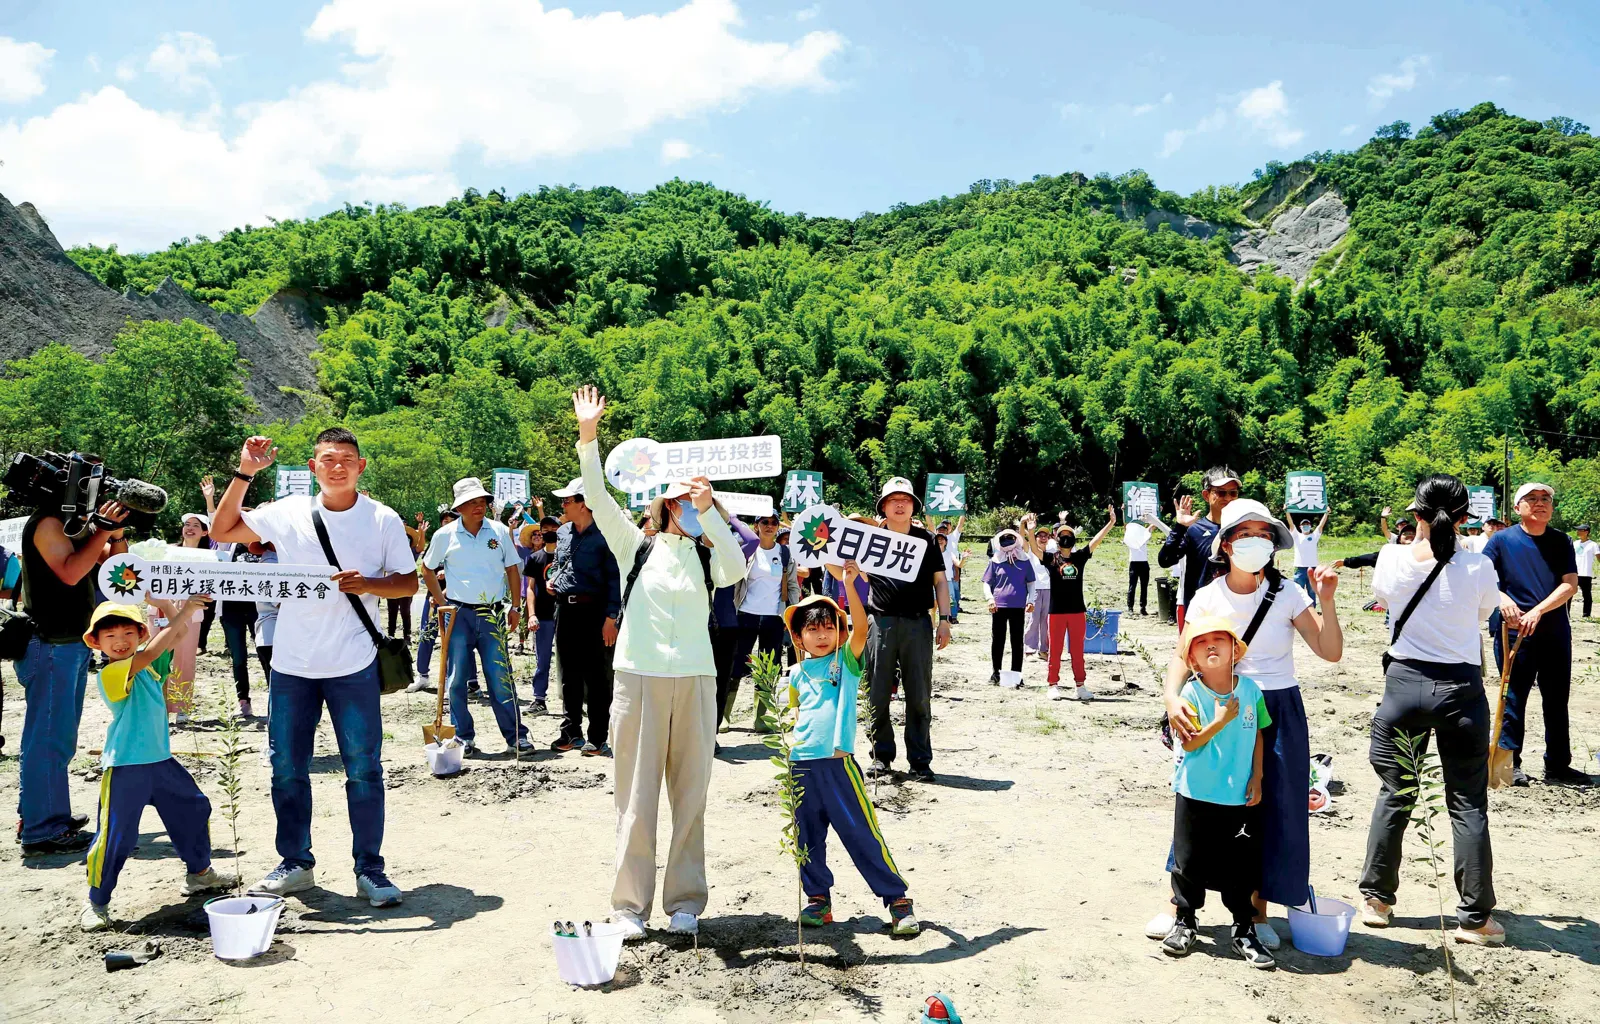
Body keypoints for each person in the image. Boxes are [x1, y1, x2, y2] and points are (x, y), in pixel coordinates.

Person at [211, 427, 418, 907]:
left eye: (347, 457)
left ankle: (370, 869)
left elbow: (407, 583)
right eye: (328, 458)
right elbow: (223, 531)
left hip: (354, 663)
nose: (338, 465)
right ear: (312, 468)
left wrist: (367, 583)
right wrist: (245, 472)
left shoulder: (383, 519)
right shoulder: (286, 513)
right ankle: (296, 862)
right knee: (286, 767)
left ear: (361, 466)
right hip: (292, 663)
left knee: (364, 768)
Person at [571, 386, 748, 940]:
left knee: (690, 795)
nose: (690, 512)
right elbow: (598, 498)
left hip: (696, 680)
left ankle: (686, 901)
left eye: (696, 504)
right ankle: (629, 906)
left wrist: (710, 514)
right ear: (664, 507)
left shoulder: (706, 553)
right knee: (636, 795)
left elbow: (738, 565)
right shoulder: (634, 545)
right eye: (682, 504)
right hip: (640, 680)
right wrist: (588, 436)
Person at [1150, 499, 1342, 950]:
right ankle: (1180, 907)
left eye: (1263, 533)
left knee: (1272, 806)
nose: (1255, 541)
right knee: (1199, 802)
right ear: (1226, 543)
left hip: (1277, 706)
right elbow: (1182, 657)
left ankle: (1257, 912)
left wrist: (1327, 603)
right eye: (1244, 533)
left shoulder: (1290, 594)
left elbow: (1330, 651)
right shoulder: (1207, 596)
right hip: (1218, 703)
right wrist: (1172, 696)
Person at [1358, 475, 1505, 944]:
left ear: (1416, 514)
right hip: (1460, 689)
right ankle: (1476, 919)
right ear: (1465, 517)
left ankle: (1377, 900)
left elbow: (1383, 602)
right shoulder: (1479, 566)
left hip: (1403, 684)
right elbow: (1482, 616)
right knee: (1467, 802)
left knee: (1395, 792)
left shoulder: (1390, 558)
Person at [78, 598, 229, 931]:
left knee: (194, 810)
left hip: (161, 762)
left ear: (140, 633)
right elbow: (154, 647)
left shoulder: (148, 666)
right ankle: (97, 902)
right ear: (97, 642)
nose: (120, 641)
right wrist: (185, 611)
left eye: (128, 632)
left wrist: (165, 605)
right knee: (117, 836)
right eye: (110, 635)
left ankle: (200, 874)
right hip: (126, 767)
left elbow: (177, 637)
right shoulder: (112, 672)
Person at [785, 569, 919, 938]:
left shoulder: (844, 663)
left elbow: (862, 627)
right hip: (801, 767)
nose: (822, 634)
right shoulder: (794, 673)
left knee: (862, 834)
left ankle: (897, 901)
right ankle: (818, 900)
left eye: (829, 627)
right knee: (807, 837)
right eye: (812, 629)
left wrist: (848, 584)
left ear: (839, 632)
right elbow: (794, 716)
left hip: (838, 765)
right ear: (799, 636)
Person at [16, 491, 131, 855]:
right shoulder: (48, 522)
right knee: (48, 738)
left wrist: (116, 535)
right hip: (51, 644)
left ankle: (42, 813)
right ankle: (43, 829)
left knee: (57, 737)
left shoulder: (72, 525)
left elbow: (117, 572)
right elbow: (70, 573)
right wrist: (101, 529)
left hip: (68, 645)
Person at [1159, 617, 1274, 968]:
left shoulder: (1251, 690)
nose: (1211, 645)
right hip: (1195, 792)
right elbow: (1191, 744)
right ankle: (1185, 921)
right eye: (1201, 641)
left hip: (1238, 796)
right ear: (1191, 659)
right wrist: (1220, 720)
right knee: (1189, 861)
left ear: (1234, 651)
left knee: (1241, 864)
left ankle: (1243, 928)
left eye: (1219, 640)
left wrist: (1258, 775)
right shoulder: (1190, 693)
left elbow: (1259, 733)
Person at [1484, 482, 1589, 786]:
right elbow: (1483, 579)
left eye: (1546, 499)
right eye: (1532, 499)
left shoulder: (1561, 542)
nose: (1541, 503)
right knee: (1513, 696)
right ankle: (1509, 763)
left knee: (1557, 699)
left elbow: (1569, 584)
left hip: (1554, 631)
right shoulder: (1501, 541)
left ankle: (1557, 765)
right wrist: (1503, 601)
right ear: (1517, 508)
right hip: (1514, 632)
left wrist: (1539, 610)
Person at [421, 478, 531, 756]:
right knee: (457, 678)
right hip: (457, 613)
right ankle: (462, 736)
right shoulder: (445, 535)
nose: (479, 506)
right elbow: (427, 568)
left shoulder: (499, 531)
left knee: (499, 676)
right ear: (459, 507)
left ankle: (516, 737)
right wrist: (442, 600)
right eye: (472, 502)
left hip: (492, 612)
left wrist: (516, 607)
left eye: (482, 501)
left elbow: (512, 569)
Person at [860, 477, 952, 783]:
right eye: (893, 499)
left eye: (906, 499)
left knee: (919, 694)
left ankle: (920, 760)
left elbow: (940, 580)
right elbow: (840, 566)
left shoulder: (926, 539)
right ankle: (881, 756)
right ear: (883, 506)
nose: (900, 504)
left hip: (917, 623)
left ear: (913, 506)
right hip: (881, 622)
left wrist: (945, 619)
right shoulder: (869, 538)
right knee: (877, 692)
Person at [547, 475, 622, 755]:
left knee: (596, 675)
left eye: (567, 500)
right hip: (565, 609)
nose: (563, 505)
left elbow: (615, 579)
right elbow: (557, 563)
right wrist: (553, 579)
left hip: (595, 611)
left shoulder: (606, 535)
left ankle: (598, 736)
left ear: (584, 504)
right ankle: (571, 732)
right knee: (568, 673)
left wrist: (611, 618)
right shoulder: (564, 532)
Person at [731, 513, 800, 731]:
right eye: (765, 522)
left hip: (773, 616)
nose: (770, 526)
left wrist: (792, 614)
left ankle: (760, 718)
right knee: (735, 665)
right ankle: (724, 715)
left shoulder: (785, 553)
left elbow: (792, 585)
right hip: (745, 613)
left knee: (768, 667)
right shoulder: (747, 549)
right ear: (756, 526)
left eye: (774, 522)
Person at [1045, 505, 1117, 701]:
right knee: (1056, 650)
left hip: (1077, 611)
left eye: (1069, 534)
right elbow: (1034, 548)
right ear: (1057, 539)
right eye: (1062, 535)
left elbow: (1095, 541)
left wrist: (1111, 523)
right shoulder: (1051, 559)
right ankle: (1052, 684)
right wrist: (1029, 529)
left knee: (1077, 650)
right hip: (1056, 612)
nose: (1066, 537)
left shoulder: (1079, 558)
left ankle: (1080, 686)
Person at [1158, 468, 1243, 629]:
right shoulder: (1194, 530)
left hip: (1236, 611)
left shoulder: (1245, 530)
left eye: (1233, 493)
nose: (1228, 498)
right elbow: (1165, 560)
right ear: (1206, 495)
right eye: (1221, 493)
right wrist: (1179, 527)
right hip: (1201, 612)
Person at [982, 529, 1036, 686]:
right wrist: (989, 599)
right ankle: (996, 672)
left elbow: (1031, 582)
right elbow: (987, 582)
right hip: (998, 606)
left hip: (1018, 606)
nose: (1007, 542)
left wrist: (1031, 600)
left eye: (1010, 538)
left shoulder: (1024, 560)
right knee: (998, 640)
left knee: (1017, 641)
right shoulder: (995, 560)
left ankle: (1016, 674)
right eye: (1004, 539)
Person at [522, 515, 562, 715]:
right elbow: (530, 588)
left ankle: (571, 700)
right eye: (545, 529)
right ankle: (539, 699)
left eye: (553, 528)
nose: (549, 532)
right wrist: (531, 614)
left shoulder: (568, 555)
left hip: (566, 614)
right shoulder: (535, 558)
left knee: (569, 659)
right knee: (542, 658)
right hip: (544, 615)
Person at [1022, 518, 1052, 661]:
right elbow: (1022, 538)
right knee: (1033, 620)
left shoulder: (1053, 552)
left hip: (1050, 589)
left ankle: (1044, 650)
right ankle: (1029, 649)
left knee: (1046, 620)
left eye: (1045, 536)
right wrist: (1024, 524)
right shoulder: (1030, 551)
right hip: (1034, 589)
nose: (1043, 538)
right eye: (1040, 536)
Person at [1289, 510, 1329, 609]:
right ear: (1300, 527)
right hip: (1300, 569)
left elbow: (1320, 526)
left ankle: (1312, 610)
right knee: (1298, 591)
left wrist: (1326, 513)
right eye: (1303, 525)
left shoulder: (1314, 536)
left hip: (1313, 568)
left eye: (1307, 524)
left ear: (1310, 526)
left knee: (1312, 591)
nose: (1305, 526)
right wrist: (1287, 512)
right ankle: (1297, 610)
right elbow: (1291, 524)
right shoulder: (1297, 536)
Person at [1124, 516, 1152, 617]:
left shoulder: (1145, 535)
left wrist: (1157, 513)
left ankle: (1143, 607)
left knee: (1144, 587)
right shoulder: (1130, 538)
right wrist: (1124, 511)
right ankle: (1130, 607)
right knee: (1132, 586)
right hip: (1134, 563)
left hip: (1144, 563)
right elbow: (1126, 525)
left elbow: (1153, 526)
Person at [1574, 523, 1596, 619]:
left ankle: (1586, 614)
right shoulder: (1575, 543)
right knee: (1568, 594)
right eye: (1577, 530)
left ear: (1586, 532)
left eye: (1580, 530)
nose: (1578, 532)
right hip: (1574, 572)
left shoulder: (1593, 545)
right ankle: (1567, 614)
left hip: (1586, 573)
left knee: (1586, 595)